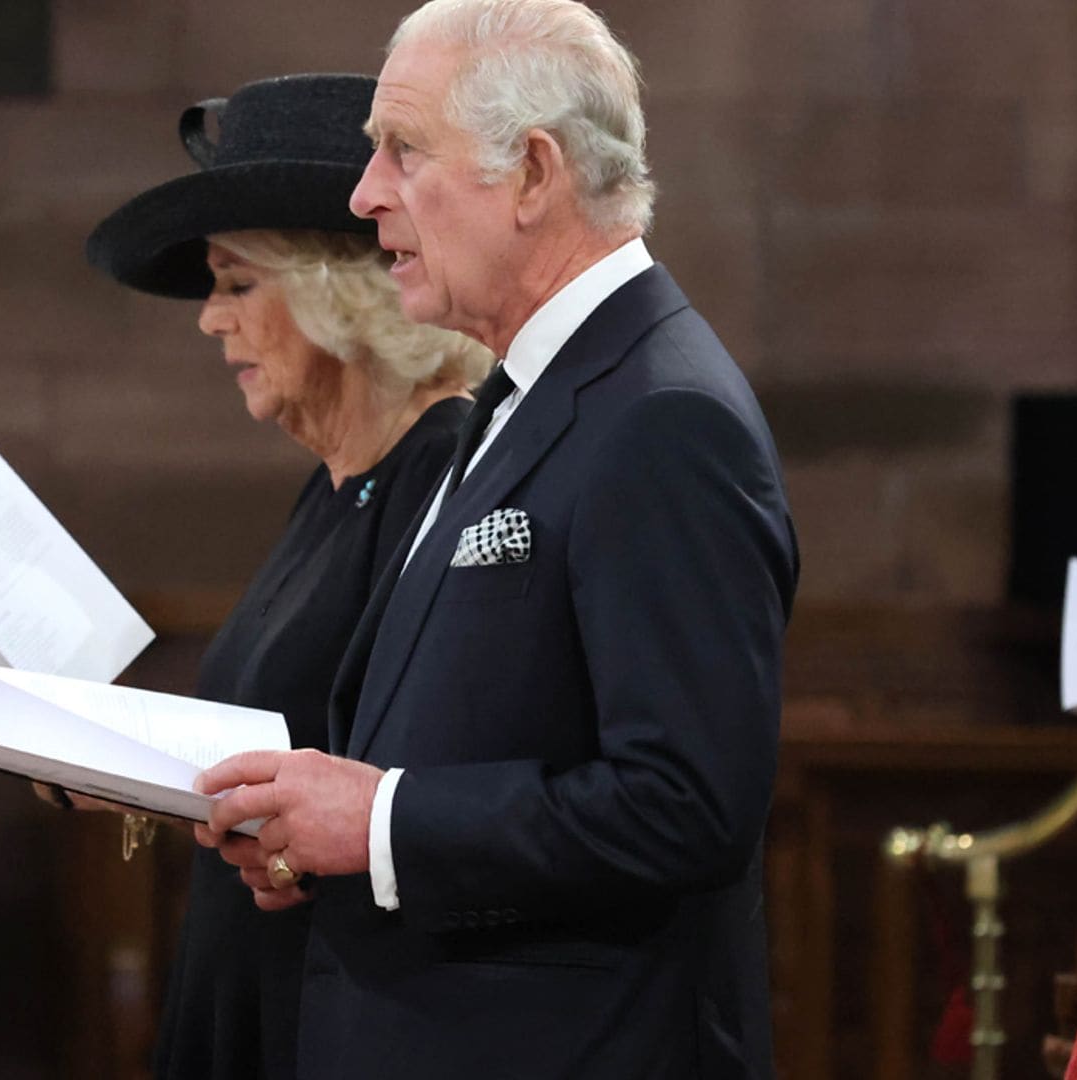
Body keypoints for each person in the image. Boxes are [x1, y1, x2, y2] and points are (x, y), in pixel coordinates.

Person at [195, 3, 801, 1077]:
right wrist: (327, 833)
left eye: (403, 150)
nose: (364, 192)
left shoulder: (664, 415)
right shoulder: (526, 390)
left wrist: (380, 821)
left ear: (531, 172)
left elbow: (686, 805)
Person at [80, 73, 495, 1079]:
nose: (209, 321)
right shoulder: (336, 484)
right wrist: (87, 761)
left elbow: (420, 775)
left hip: (338, 1006)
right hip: (252, 981)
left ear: (334, 288)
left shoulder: (437, 471)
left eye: (235, 283)